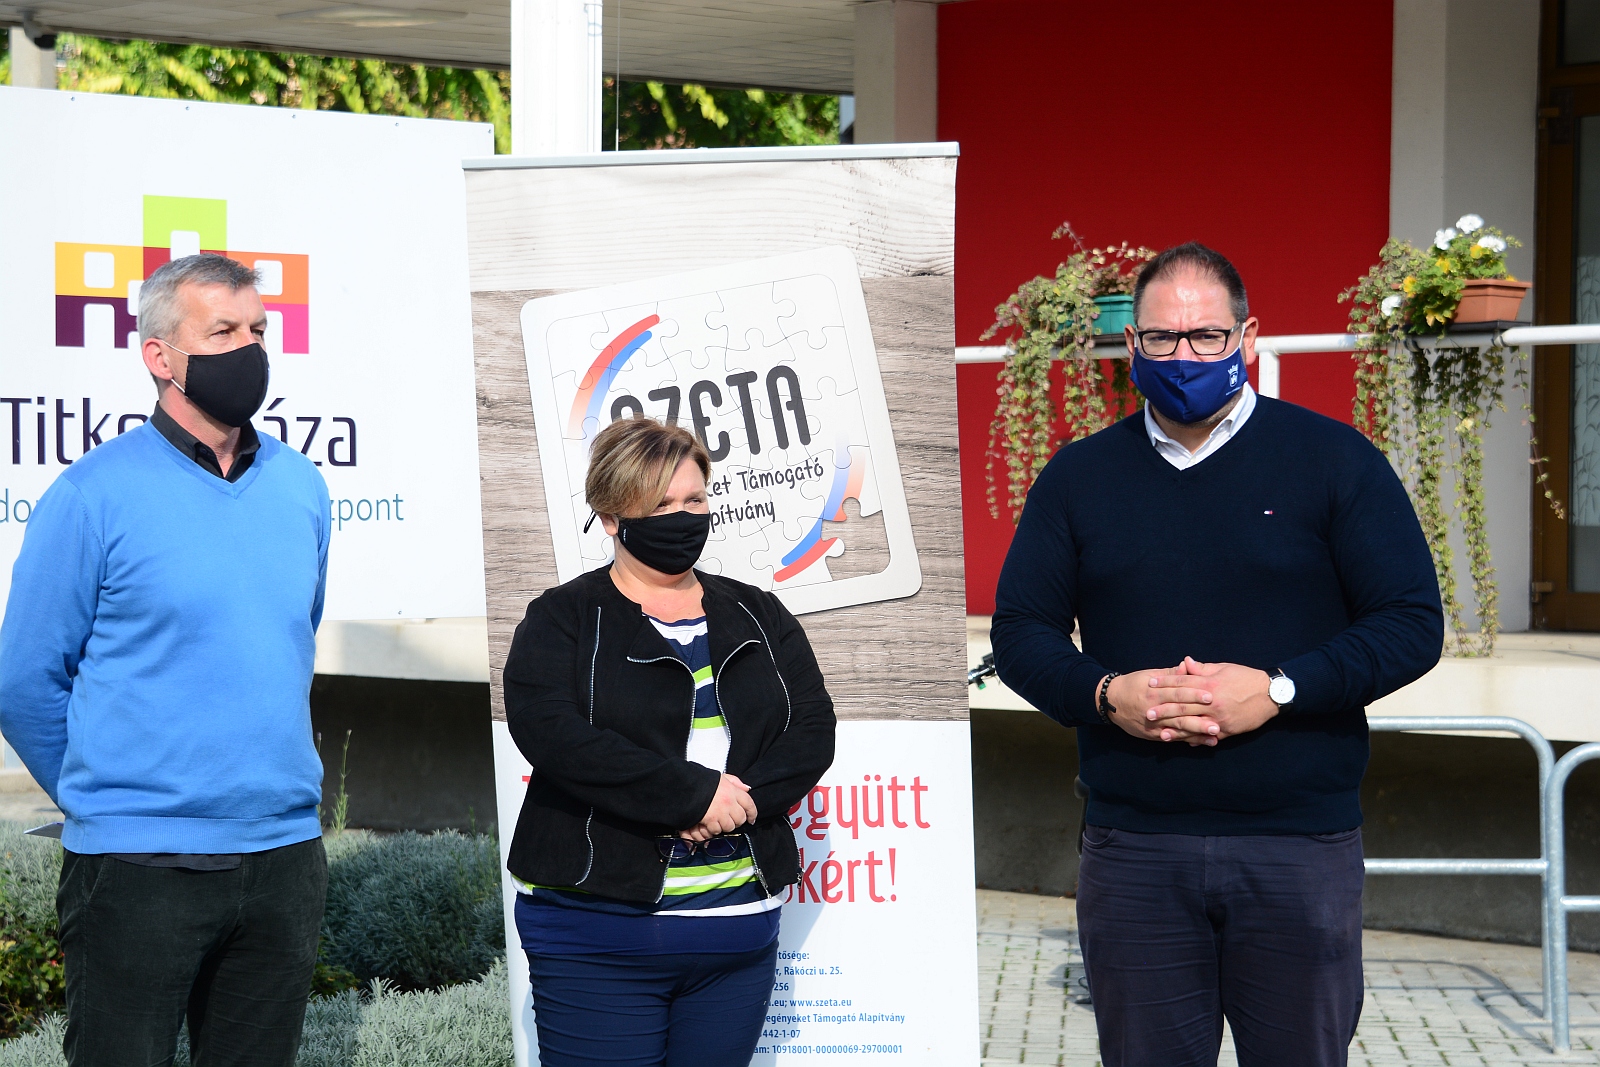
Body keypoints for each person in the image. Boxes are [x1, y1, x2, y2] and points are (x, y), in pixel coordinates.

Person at [990, 242, 1444, 1067]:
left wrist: (1280, 688)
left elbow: (1411, 621)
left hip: (1297, 847)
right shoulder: (1078, 477)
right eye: (1163, 338)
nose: (1184, 357)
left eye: (1207, 336)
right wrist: (1106, 694)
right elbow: (1021, 631)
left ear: (1249, 337)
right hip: (1136, 849)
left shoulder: (1335, 460)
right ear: (1131, 343)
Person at [0, 254, 330, 1067]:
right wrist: (111, 796)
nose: (248, 349)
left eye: (257, 330)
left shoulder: (302, 488)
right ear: (160, 356)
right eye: (222, 332)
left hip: (285, 859)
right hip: (137, 866)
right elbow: (23, 680)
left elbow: (289, 640)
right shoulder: (91, 496)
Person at [503, 415, 835, 1067]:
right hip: (596, 938)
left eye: (694, 499)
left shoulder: (759, 612)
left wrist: (730, 804)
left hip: (737, 940)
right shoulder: (562, 618)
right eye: (660, 505)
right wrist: (690, 796)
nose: (683, 518)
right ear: (610, 516)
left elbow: (811, 731)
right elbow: (554, 735)